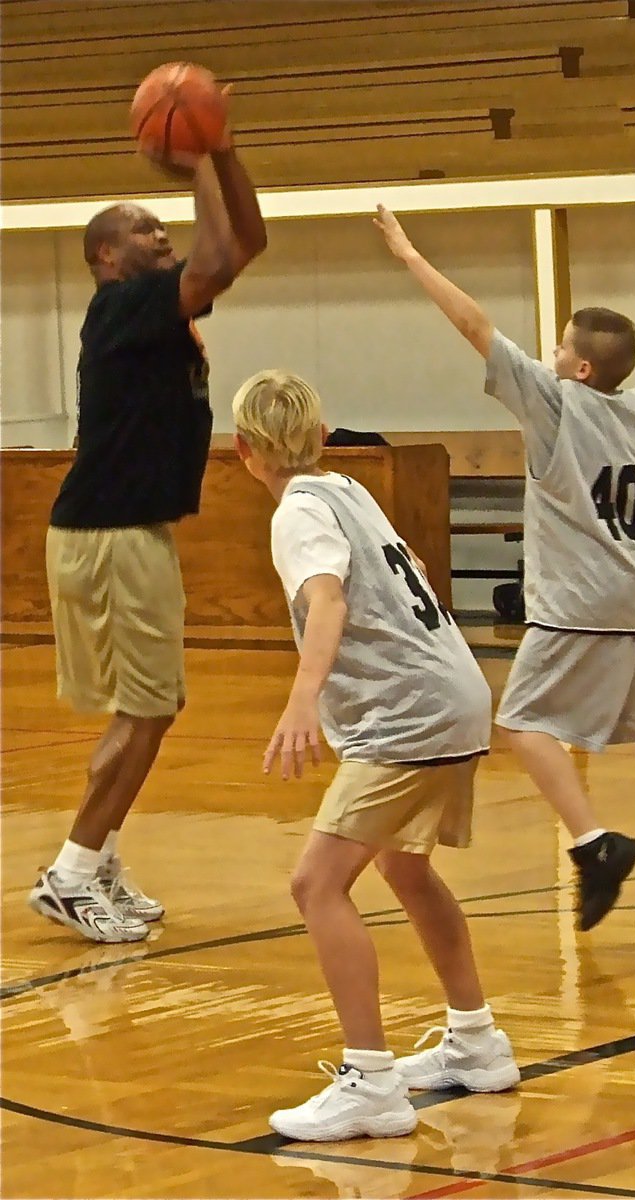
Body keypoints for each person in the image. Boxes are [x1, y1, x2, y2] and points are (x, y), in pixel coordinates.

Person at [373, 204, 635, 933]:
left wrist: (410, 254)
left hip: (580, 601)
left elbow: (474, 325)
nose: (544, 352)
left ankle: (593, 844)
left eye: (558, 346)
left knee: (521, 721)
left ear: (577, 368)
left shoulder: (552, 401)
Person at [232, 370, 519, 1142]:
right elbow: (415, 574)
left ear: (243, 450)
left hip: (409, 714)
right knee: (405, 867)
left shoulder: (298, 513)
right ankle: (477, 1041)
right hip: (456, 690)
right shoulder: (347, 490)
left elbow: (329, 600)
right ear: (323, 438)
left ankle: (370, 1081)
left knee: (316, 884)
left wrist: (302, 698)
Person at [28, 98, 267, 945]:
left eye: (163, 227)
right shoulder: (122, 306)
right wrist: (198, 160)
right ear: (106, 255)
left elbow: (244, 246)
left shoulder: (156, 310)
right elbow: (215, 255)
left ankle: (95, 861)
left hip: (126, 530)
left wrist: (225, 153)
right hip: (109, 532)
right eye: (145, 231)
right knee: (148, 709)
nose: (161, 238)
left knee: (149, 707)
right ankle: (72, 870)